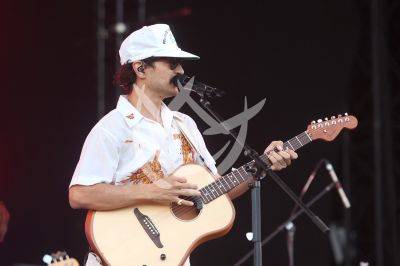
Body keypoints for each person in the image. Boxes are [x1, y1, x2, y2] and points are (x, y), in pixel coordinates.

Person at [68, 24, 298, 265]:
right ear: (140, 68)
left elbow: (218, 190)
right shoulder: (112, 128)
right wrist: (152, 191)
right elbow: (80, 194)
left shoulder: (184, 124)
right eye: (172, 64)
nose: (181, 70)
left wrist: (261, 165)